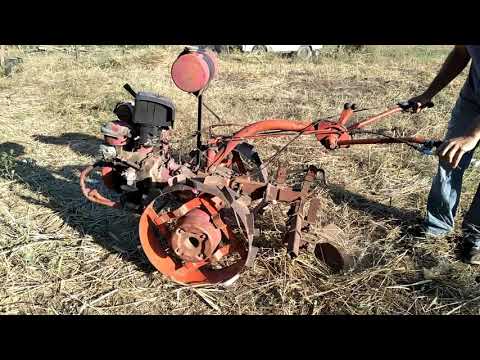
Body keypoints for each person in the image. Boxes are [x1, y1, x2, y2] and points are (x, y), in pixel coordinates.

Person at [408, 45, 480, 265]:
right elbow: (461, 53)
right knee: (450, 155)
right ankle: (437, 226)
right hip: (473, 99)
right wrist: (428, 94)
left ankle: (477, 236)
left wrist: (473, 135)